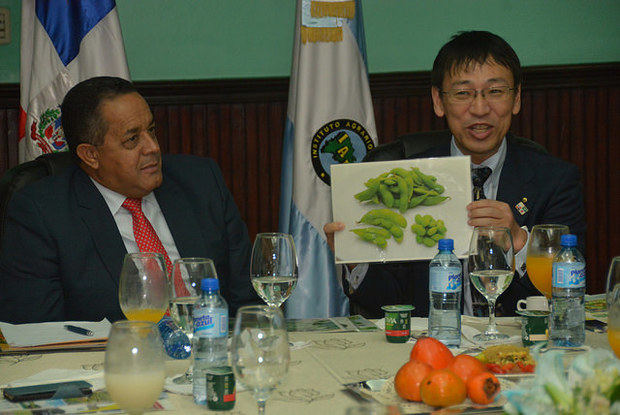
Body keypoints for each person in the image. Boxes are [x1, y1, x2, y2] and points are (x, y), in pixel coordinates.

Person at [324, 31, 586, 318]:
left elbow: (566, 297)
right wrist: (354, 258)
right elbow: (385, 305)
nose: (480, 108)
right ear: (439, 101)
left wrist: (520, 243)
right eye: (463, 93)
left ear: (516, 98)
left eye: (495, 91)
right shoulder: (404, 181)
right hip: (431, 347)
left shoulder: (556, 180)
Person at [0, 76, 259, 323]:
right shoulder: (42, 213)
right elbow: (39, 332)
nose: (153, 147)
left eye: (152, 130)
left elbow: (247, 301)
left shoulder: (201, 183)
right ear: (90, 155)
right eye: (132, 139)